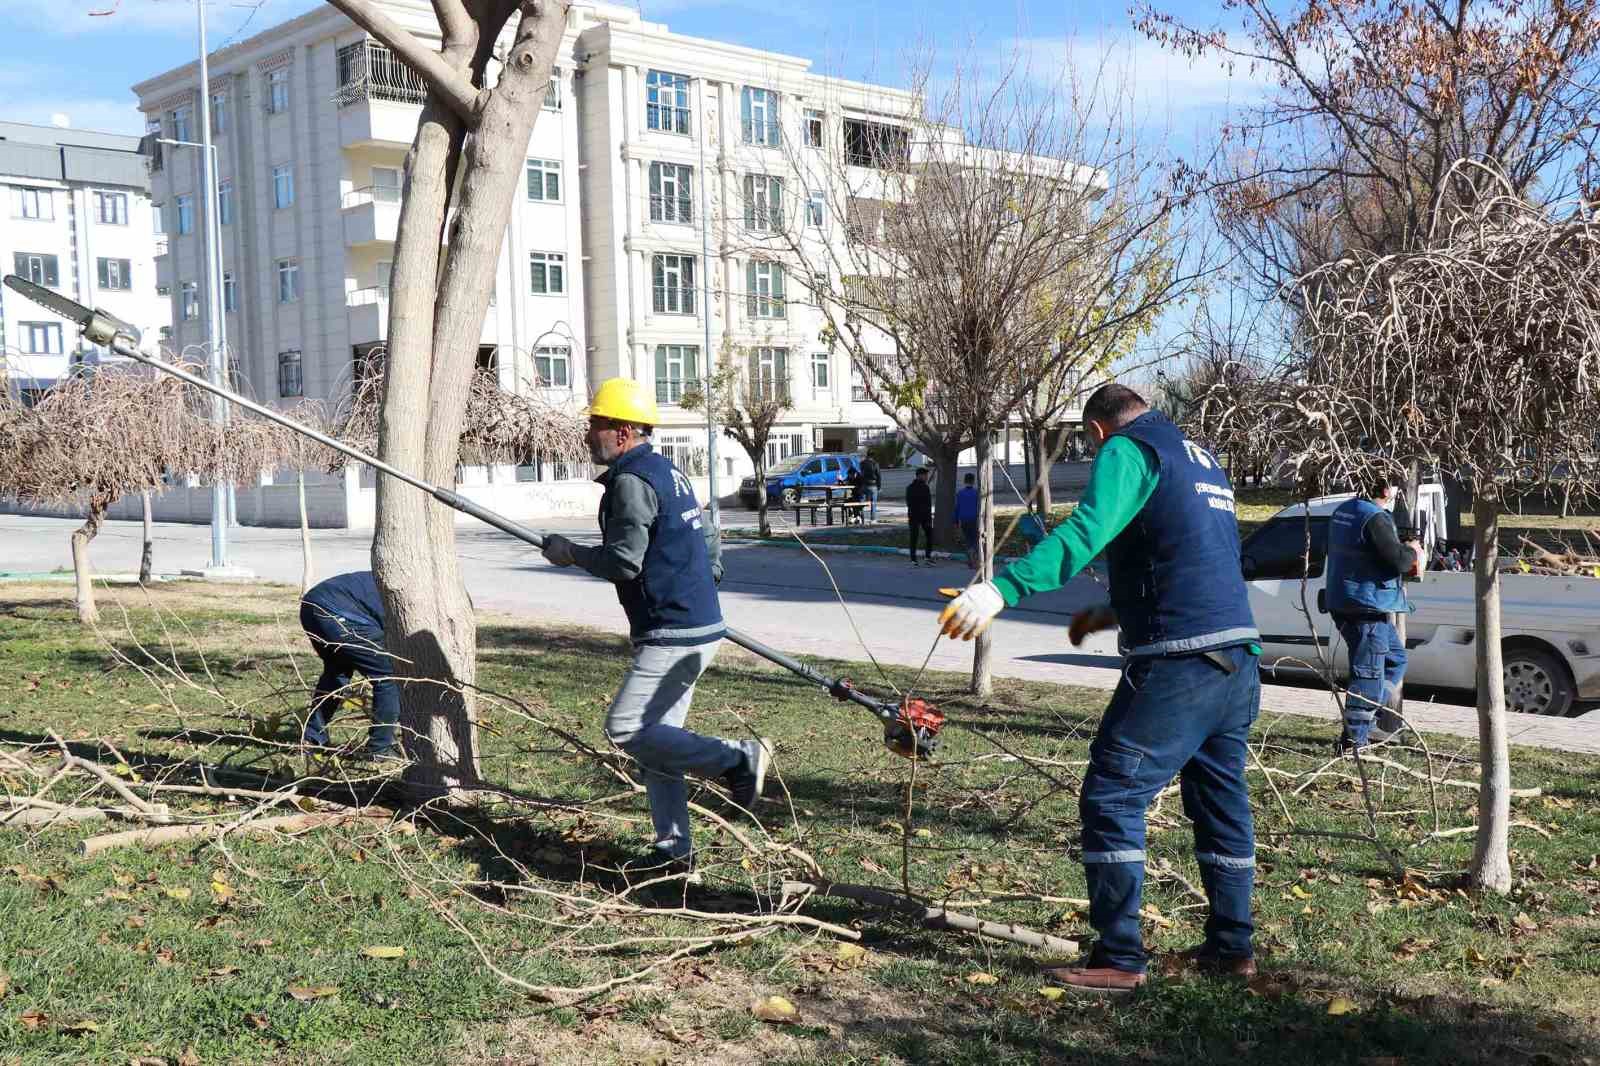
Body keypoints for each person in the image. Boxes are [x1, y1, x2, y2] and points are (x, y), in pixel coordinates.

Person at [938, 383, 1261, 993]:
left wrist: (999, 590)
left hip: (1179, 660)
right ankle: (1231, 949)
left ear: (1096, 431)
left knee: (1113, 794)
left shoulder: (1127, 451)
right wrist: (1112, 613)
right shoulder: (1200, 457)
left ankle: (1120, 958)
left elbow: (1087, 530)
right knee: (1221, 802)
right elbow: (1186, 554)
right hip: (1238, 658)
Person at [541, 377, 770, 883]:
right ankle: (674, 855)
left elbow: (623, 563)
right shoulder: (669, 470)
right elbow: (710, 533)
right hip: (698, 622)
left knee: (626, 729)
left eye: (595, 425)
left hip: (674, 629)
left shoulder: (631, 481)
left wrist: (569, 553)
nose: (588, 435)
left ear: (622, 432)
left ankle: (738, 759)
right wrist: (704, 580)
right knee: (660, 745)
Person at [1325, 482, 1423, 750]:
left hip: (1345, 599)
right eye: (1393, 485)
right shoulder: (1375, 518)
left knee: (1395, 659)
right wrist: (1413, 549)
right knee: (1368, 675)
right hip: (1366, 608)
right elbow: (1400, 562)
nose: (1395, 491)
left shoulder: (1345, 510)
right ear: (1385, 490)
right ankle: (1354, 743)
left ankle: (1365, 722)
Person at [299, 570, 401, 759]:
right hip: (340, 610)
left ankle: (312, 739)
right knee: (389, 678)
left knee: (337, 671)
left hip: (312, 603)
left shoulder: (398, 580)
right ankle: (380, 750)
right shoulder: (414, 598)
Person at [906, 466, 935, 567]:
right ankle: (926, 557)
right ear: (920, 476)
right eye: (925, 475)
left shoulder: (910, 487)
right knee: (927, 536)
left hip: (915, 515)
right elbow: (927, 503)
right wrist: (928, 515)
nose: (927, 476)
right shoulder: (923, 487)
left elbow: (908, 503)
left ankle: (914, 559)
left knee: (915, 537)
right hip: (922, 516)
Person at [955, 472, 980, 568]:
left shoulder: (960, 493)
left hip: (964, 520)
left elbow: (957, 508)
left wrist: (956, 521)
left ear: (964, 481)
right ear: (973, 481)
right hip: (974, 519)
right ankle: (975, 559)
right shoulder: (977, 493)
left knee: (968, 540)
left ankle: (970, 560)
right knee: (975, 540)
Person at [859, 453, 882, 521]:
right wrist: (879, 487)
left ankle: (861, 517)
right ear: (873, 456)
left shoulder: (862, 463)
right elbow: (879, 476)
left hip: (863, 485)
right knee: (873, 503)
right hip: (873, 485)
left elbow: (861, 473)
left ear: (867, 455)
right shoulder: (875, 464)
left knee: (861, 502)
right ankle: (873, 518)